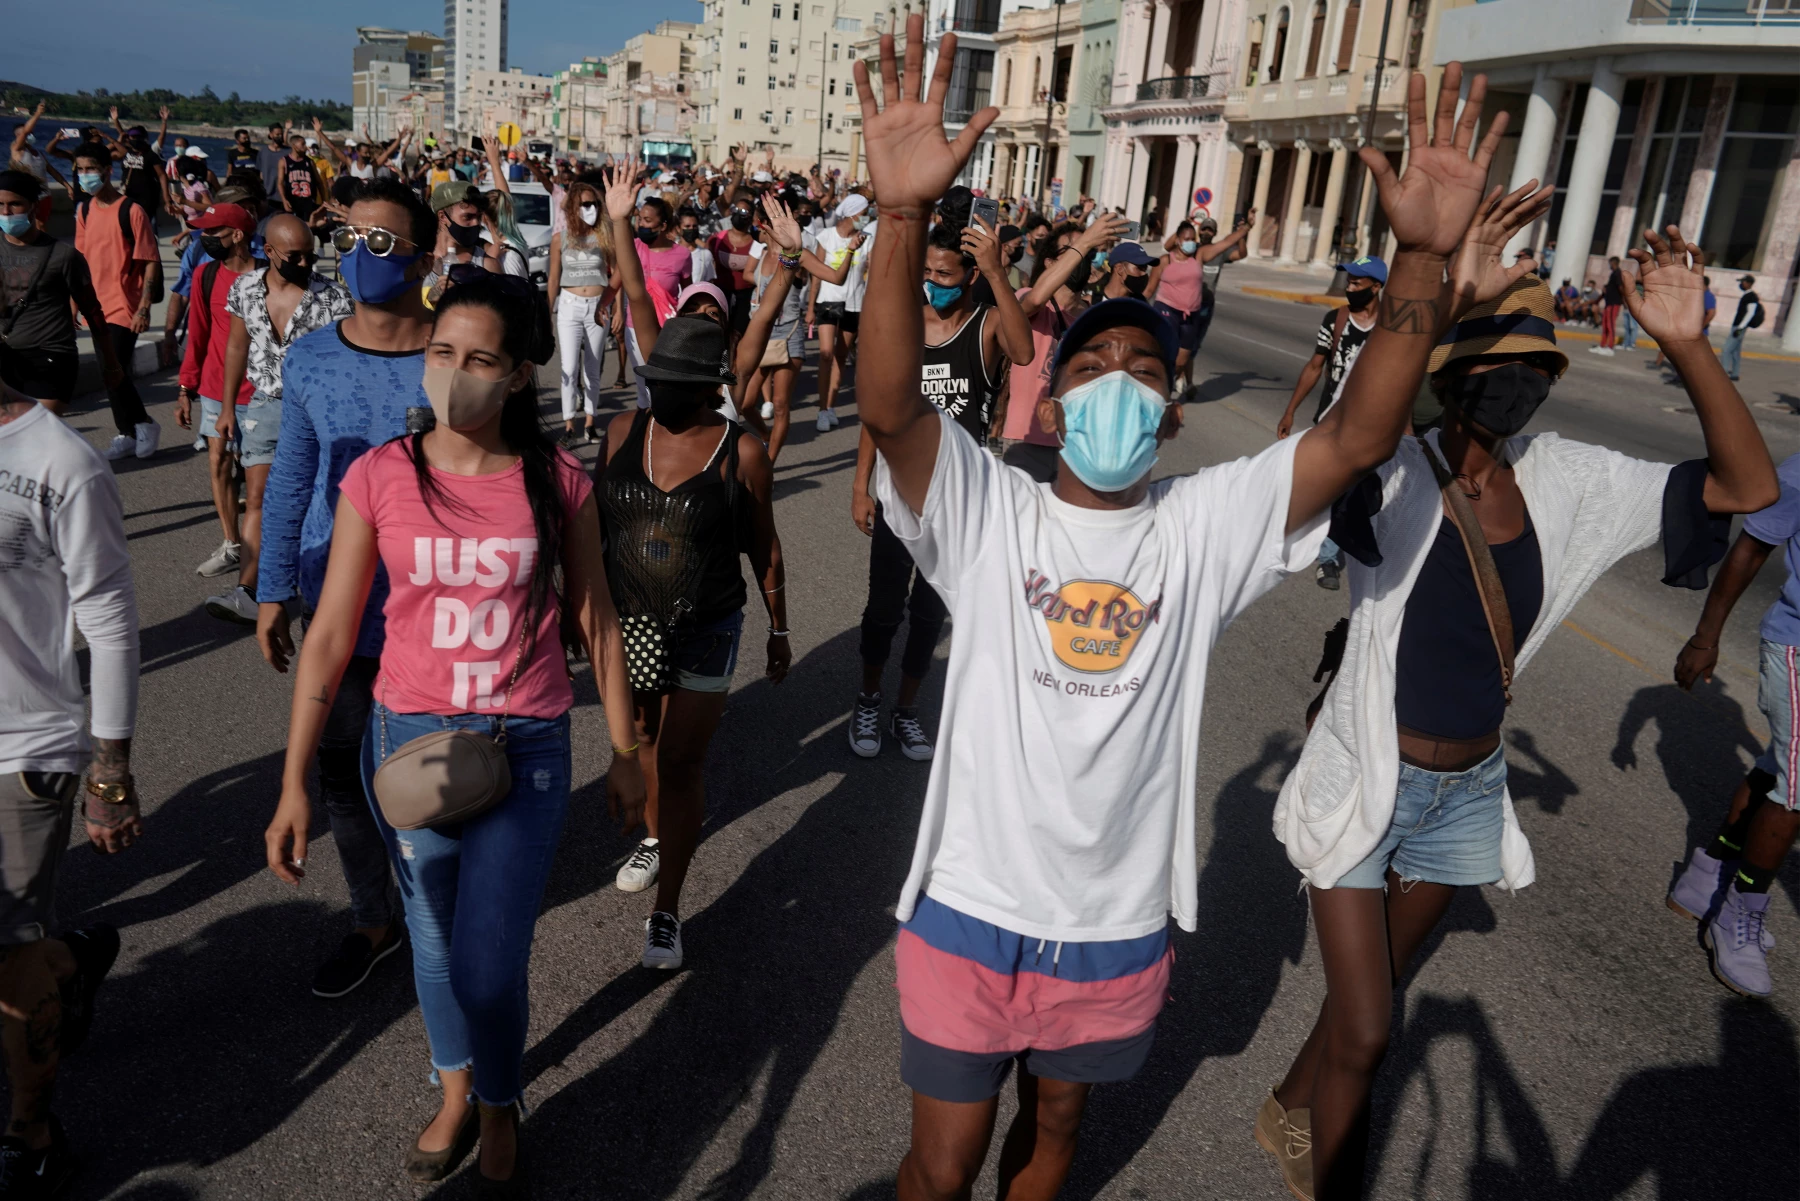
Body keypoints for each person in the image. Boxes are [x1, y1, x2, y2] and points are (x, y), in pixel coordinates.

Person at [850, 25, 1505, 1201]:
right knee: (938, 1166)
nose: (1115, 378)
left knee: (1053, 1139)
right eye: (1091, 361)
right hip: (967, 909)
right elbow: (892, 404)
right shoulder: (992, 510)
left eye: (1142, 369)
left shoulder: (1205, 526)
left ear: (1173, 402)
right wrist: (900, 221)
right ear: (1052, 401)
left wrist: (1417, 261)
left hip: (1112, 927)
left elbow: (1357, 438)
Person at [1264, 226, 1776, 1201]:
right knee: (1371, 1030)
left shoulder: (1569, 479)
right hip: (1363, 778)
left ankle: (1289, 1102)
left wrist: (1690, 346)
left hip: (1464, 792)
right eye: (1493, 358)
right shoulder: (1389, 465)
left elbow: (1747, 487)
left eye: (1537, 363)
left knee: (1366, 1003)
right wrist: (1438, 304)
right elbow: (1338, 441)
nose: (1516, 381)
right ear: (1449, 359)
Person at [265, 273, 643, 1193]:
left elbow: (596, 619)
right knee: (432, 941)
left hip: (527, 742)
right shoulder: (380, 475)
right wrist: (293, 782)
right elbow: (329, 635)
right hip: (409, 738)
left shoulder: (557, 480)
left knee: (488, 956)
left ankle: (502, 1096)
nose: (454, 375)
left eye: (479, 360)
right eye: (442, 353)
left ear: (517, 376)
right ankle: (456, 1089)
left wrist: (628, 752)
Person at [598, 171, 795, 969]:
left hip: (710, 622)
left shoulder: (738, 435)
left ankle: (670, 906)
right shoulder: (624, 426)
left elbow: (766, 544)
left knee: (681, 757)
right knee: (642, 737)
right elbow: (642, 308)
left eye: (716, 316)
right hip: (633, 618)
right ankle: (655, 832)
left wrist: (785, 262)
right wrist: (618, 225)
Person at [257, 178, 437, 999]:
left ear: (424, 258)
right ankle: (374, 917)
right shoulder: (312, 353)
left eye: (381, 242)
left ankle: (439, 911)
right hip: (335, 600)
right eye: (350, 238)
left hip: (436, 610)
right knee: (342, 775)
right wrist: (270, 588)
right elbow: (293, 474)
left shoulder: (458, 357)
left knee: (433, 780)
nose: (359, 256)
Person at [0, 370, 142, 1195]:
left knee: (8, 959)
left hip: (22, 745)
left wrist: (111, 768)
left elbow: (110, 618)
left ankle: (32, 1129)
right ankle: (71, 961)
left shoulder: (59, 460)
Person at [845, 215, 1034, 761]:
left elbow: (1023, 353)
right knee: (883, 607)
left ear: (970, 276)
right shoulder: (902, 324)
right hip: (897, 493)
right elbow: (876, 415)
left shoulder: (988, 324)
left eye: (946, 273)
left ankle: (906, 710)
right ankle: (868, 699)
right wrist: (861, 485)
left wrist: (999, 273)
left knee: (931, 613)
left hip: (958, 502)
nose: (933, 280)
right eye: (927, 270)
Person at [1669, 456, 1800, 999]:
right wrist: (1706, 635)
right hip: (1797, 648)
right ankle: (1738, 915)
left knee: (1779, 767)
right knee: (1798, 788)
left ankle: (1708, 876)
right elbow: (1750, 549)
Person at [202, 214, 355, 625]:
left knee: (315, 501)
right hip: (266, 406)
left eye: (311, 255)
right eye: (296, 256)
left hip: (317, 412)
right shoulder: (245, 289)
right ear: (268, 251)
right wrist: (229, 408)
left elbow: (346, 361)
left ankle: (315, 588)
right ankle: (250, 590)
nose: (307, 264)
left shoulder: (333, 297)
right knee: (258, 499)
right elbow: (236, 348)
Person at [1275, 256, 1387, 590]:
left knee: (1349, 491)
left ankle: (1327, 558)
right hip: (1329, 421)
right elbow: (1314, 366)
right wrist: (1290, 410)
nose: (1349, 287)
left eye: (1357, 282)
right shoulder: (1336, 320)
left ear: (1376, 287)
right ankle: (1295, 535)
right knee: (1319, 482)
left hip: (1370, 427)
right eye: (1348, 281)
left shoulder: (1388, 330)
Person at [996, 215, 1127, 483]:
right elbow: (1035, 299)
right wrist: (1088, 238)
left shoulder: (1093, 316)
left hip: (1077, 445)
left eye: (1086, 253)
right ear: (1051, 262)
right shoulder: (1026, 299)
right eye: (1073, 252)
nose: (1081, 259)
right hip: (1027, 438)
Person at [176, 203, 263, 585]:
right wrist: (185, 388)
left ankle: (266, 551)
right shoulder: (204, 274)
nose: (205, 238)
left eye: (213, 232)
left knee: (264, 479)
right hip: (214, 389)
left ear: (238, 235)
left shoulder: (269, 275)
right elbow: (197, 334)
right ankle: (231, 544)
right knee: (219, 463)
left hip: (263, 393)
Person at [0, 171, 125, 415]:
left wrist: (111, 364)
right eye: (0, 204)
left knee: (39, 436)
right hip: (7, 357)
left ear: (33, 206)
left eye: (15, 204)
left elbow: (93, 312)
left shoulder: (63, 255)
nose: (5, 212)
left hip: (50, 358)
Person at [70, 144, 162, 462]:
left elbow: (150, 260)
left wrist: (145, 307)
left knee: (115, 368)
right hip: (94, 304)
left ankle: (145, 423)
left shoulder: (131, 211)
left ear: (108, 171)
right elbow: (78, 262)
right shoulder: (83, 211)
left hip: (125, 304)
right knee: (108, 371)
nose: (84, 176)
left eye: (89, 169)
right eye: (79, 169)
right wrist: (73, 304)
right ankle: (126, 432)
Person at [1148, 213, 1253, 397]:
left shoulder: (1199, 255)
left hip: (1193, 313)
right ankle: (1160, 395)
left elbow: (1227, 243)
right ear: (1178, 240)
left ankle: (1167, 384)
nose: (1190, 242)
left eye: (1192, 239)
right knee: (1166, 352)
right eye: (1186, 239)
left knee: (1182, 360)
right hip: (1167, 309)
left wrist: (1246, 228)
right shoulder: (1166, 260)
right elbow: (1149, 290)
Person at [547, 178, 616, 445]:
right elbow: (553, 279)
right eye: (585, 204)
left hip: (598, 306)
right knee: (568, 366)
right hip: (569, 305)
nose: (590, 208)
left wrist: (615, 308)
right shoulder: (559, 239)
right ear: (573, 207)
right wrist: (546, 313)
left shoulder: (603, 236)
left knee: (593, 368)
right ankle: (568, 424)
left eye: (594, 204)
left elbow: (616, 273)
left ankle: (590, 422)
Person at [810, 194, 872, 432]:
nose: (867, 217)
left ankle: (832, 406)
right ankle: (822, 410)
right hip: (828, 301)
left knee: (841, 356)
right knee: (826, 354)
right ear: (852, 214)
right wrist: (811, 306)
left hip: (854, 304)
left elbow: (872, 271)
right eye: (864, 212)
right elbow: (816, 273)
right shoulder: (826, 236)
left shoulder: (868, 239)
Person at [1722, 273, 1763, 382]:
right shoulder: (1747, 295)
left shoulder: (1751, 296)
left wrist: (1740, 328)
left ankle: (1723, 372)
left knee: (1726, 350)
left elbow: (1750, 313)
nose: (1741, 284)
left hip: (1739, 327)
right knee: (1735, 351)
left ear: (1749, 283)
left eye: (1743, 282)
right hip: (1738, 326)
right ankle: (1735, 374)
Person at [278, 135, 323, 224]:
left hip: (308, 202)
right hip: (293, 202)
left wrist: (324, 200)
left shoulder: (309, 162)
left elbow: (319, 182)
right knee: (294, 227)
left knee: (310, 229)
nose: (305, 147)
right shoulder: (284, 161)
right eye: (302, 144)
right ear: (294, 146)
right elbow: (280, 182)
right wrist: (284, 200)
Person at [1592, 254, 1624, 354]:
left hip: (1614, 303)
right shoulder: (1613, 274)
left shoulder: (1618, 273)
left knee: (1610, 325)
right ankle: (1602, 345)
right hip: (1608, 302)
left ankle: (1610, 347)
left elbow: (1620, 288)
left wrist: (1624, 300)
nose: (1609, 265)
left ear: (1613, 263)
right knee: (1605, 324)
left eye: (1610, 263)